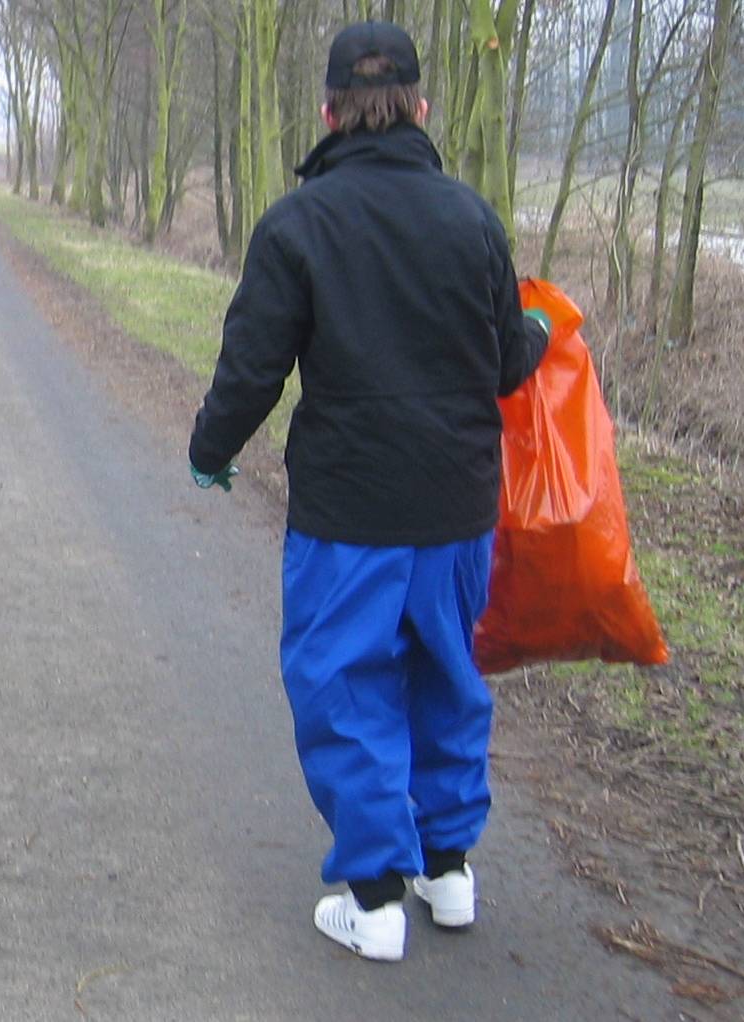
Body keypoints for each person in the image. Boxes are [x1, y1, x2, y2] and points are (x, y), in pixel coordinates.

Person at [185, 20, 550, 962]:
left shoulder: (298, 224)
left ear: (328, 114)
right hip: (459, 508)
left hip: (350, 513)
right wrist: (542, 335)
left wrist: (210, 448)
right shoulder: (472, 219)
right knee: (447, 676)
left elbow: (253, 367)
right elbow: (507, 364)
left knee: (346, 684)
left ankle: (377, 896)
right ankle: (449, 869)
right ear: (420, 109)